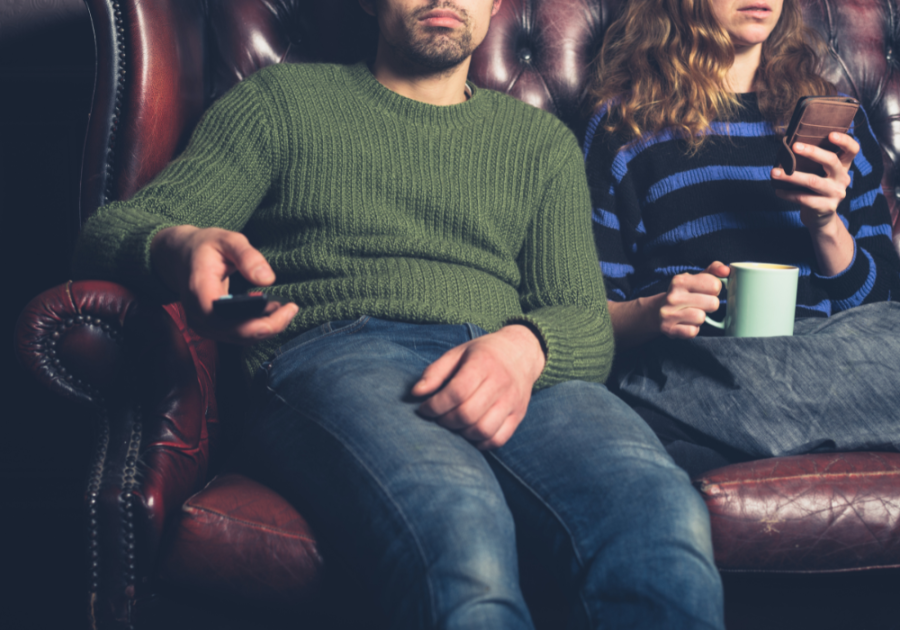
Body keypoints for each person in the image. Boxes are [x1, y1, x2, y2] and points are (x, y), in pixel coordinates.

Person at [72, 0, 725, 628]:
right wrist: (177, 246)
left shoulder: (537, 144)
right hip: (337, 355)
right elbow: (112, 230)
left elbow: (581, 316)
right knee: (458, 522)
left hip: (511, 364)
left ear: (494, 4)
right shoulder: (281, 103)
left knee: (660, 511)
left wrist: (524, 348)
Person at [585, 0, 900, 476]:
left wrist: (825, 224)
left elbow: (880, 307)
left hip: (827, 356)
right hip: (707, 356)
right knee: (677, 385)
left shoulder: (836, 124)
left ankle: (740, 433)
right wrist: (655, 312)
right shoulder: (624, 124)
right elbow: (588, 315)